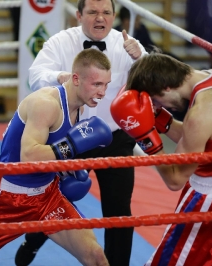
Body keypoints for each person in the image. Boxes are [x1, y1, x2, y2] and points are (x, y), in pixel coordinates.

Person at [0, 48, 114, 266]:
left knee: (95, 257)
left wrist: (68, 168)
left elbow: (54, 153)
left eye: (106, 85)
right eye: (97, 84)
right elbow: (29, 155)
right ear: (76, 78)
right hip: (8, 198)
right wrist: (72, 146)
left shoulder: (80, 109)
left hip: (47, 196)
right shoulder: (45, 104)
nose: (102, 92)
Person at [14, 0, 148, 265]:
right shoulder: (60, 42)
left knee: (119, 211)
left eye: (106, 12)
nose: (100, 18)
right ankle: (33, 239)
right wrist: (63, 77)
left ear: (113, 16)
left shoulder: (129, 45)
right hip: (71, 135)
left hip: (115, 136)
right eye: (93, 12)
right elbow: (35, 75)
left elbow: (153, 84)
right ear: (79, 15)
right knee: (55, 199)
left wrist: (142, 59)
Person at [110, 53, 212, 265]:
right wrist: (159, 118)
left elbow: (175, 179)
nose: (160, 106)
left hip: (210, 199)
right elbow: (201, 138)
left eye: (156, 101)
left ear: (166, 87)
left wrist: (146, 139)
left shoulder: (201, 113)